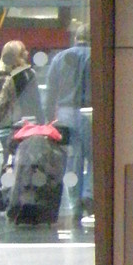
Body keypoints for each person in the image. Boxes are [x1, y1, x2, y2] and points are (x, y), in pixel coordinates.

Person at [44, 21, 92, 224]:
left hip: (64, 114)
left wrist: (48, 118)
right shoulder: (94, 56)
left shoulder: (59, 58)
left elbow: (51, 90)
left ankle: (73, 204)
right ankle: (89, 195)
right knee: (95, 157)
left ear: (76, 38)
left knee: (72, 161)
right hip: (91, 112)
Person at [0, 39, 43, 150]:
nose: (28, 53)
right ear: (20, 56)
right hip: (23, 124)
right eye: (25, 51)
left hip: (2, 125)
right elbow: (35, 102)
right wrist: (41, 123)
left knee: (5, 157)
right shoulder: (27, 74)